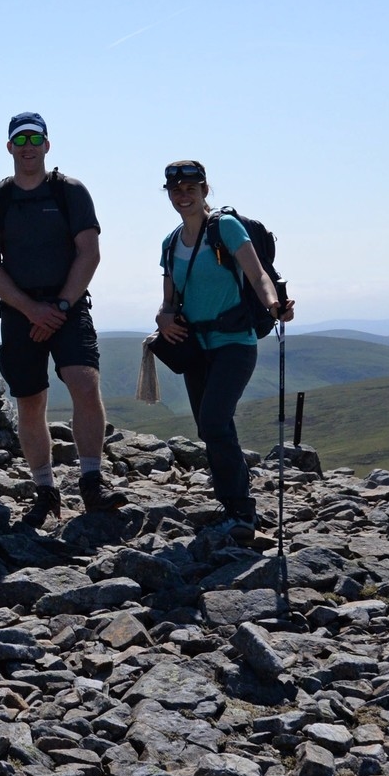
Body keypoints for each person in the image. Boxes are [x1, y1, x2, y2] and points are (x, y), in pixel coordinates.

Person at [0, 112, 127, 528]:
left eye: (34, 138)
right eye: (19, 140)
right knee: (30, 400)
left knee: (83, 382)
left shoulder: (70, 192)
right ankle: (45, 490)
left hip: (68, 306)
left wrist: (57, 308)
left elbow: (89, 253)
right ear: (9, 147)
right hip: (21, 312)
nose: (27, 146)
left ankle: (91, 481)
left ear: (47, 145)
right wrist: (30, 309)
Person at [154, 160, 294, 540]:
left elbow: (258, 274)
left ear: (205, 190)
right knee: (210, 427)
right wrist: (163, 319)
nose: (183, 196)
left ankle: (241, 511)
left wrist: (273, 305)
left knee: (215, 422)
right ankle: (233, 501)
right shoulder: (170, 243)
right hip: (196, 346)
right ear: (168, 194)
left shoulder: (225, 228)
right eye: (176, 190)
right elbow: (169, 302)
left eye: (191, 189)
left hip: (235, 342)